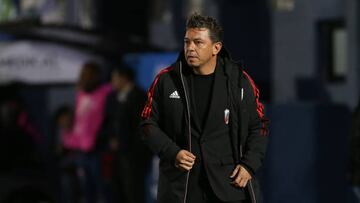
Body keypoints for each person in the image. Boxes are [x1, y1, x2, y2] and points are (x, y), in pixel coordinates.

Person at [139, 13, 269, 203]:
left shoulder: (239, 81)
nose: (190, 48)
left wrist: (249, 165)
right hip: (182, 189)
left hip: (230, 188)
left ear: (216, 48)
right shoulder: (166, 80)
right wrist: (172, 152)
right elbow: (147, 124)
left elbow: (260, 127)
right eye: (187, 42)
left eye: (198, 42)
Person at [61, 61, 112, 203]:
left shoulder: (106, 92)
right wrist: (69, 139)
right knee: (86, 190)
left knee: (103, 189)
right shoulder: (81, 94)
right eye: (83, 74)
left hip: (98, 149)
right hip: (81, 150)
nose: (84, 77)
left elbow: (108, 119)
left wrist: (101, 138)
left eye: (88, 74)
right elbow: (78, 121)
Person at [101, 66, 152, 203]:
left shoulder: (140, 96)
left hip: (134, 154)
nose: (112, 82)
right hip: (117, 154)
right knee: (118, 190)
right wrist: (111, 139)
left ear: (123, 78)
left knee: (133, 190)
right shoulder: (112, 97)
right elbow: (108, 122)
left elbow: (143, 127)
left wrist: (124, 142)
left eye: (114, 78)